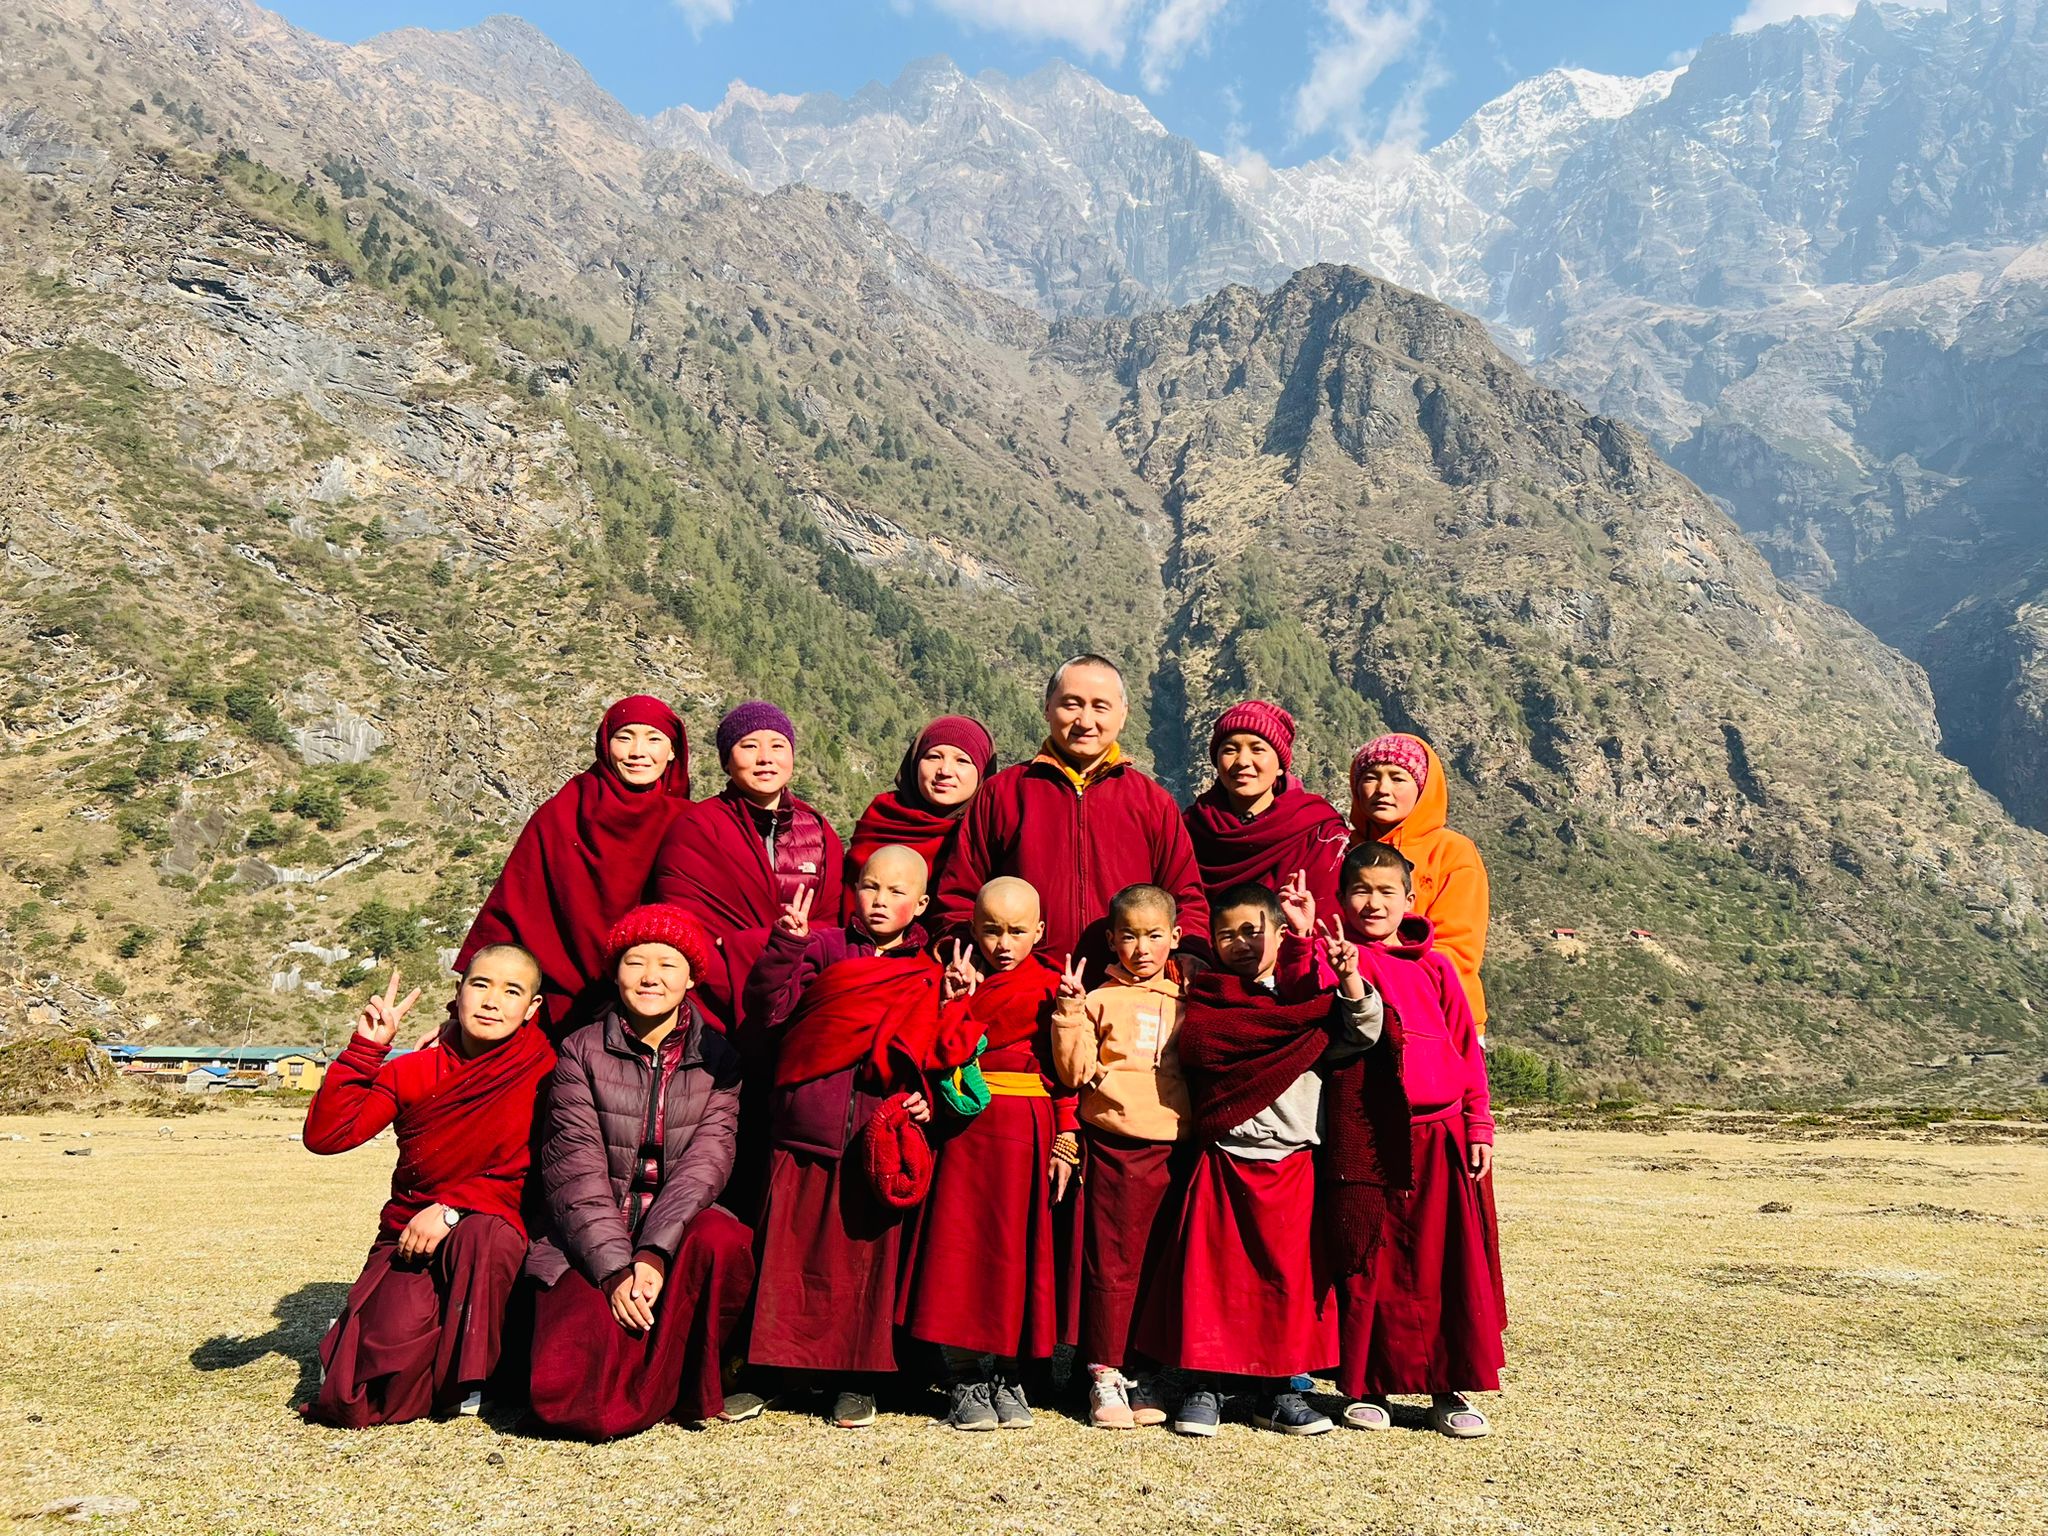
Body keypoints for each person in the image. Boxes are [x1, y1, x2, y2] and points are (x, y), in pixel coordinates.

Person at [1138, 882, 1385, 1439]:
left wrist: (1345, 976)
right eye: (1227, 934)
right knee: (1211, 1280)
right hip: (1224, 1155)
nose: (1241, 943)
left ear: (1277, 932)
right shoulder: (1210, 997)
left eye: (1253, 930)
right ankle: (1203, 1385)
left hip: (1293, 1158)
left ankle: (1275, 1394)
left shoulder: (1305, 1005)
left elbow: (1363, 1032)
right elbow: (1202, 1046)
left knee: (1286, 1285)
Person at [523, 905, 756, 1440]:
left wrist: (652, 1253)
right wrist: (613, 1268)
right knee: (576, 1403)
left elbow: (707, 1163)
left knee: (725, 1240)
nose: (651, 977)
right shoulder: (579, 1051)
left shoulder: (719, 1057)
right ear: (615, 971)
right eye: (635, 961)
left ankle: (696, 1382)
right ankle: (660, 1380)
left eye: (668, 964)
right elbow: (574, 1170)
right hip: (590, 1238)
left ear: (692, 977)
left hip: (673, 1231)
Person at [300, 947, 555, 1427]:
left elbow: (534, 1175)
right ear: (457, 993)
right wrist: (365, 1049)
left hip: (496, 1231)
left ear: (533, 1009)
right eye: (480, 984)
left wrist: (455, 1207)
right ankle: (362, 1329)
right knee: (376, 1390)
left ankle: (472, 1380)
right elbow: (328, 1137)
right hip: (410, 1234)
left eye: (512, 990)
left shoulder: (546, 1070)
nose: (492, 1001)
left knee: (488, 1235)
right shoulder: (414, 1070)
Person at [741, 846, 946, 1429]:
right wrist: (786, 945)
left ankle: (855, 1379)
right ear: (854, 890)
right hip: (805, 1126)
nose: (881, 901)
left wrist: (925, 1100)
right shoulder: (824, 946)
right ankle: (770, 1374)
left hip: (876, 1136)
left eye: (897, 892)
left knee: (863, 1262)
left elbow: (935, 1051)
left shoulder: (929, 968)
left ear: (922, 903)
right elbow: (770, 1011)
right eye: (871, 887)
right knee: (786, 1255)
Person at [1333, 841, 1504, 1438]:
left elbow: (1465, 1047)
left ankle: (1446, 1388)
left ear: (1410, 899)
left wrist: (1478, 1122)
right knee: (1370, 1259)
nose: (1373, 902)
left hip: (1440, 1132)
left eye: (1386, 891)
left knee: (1441, 1263)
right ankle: (1368, 1384)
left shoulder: (1436, 967)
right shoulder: (1338, 958)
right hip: (1369, 1132)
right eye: (1359, 890)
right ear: (1341, 898)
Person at [900, 877, 1075, 1430]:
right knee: (962, 1249)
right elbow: (934, 1052)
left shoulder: (1052, 987)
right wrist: (958, 1002)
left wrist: (1067, 1139)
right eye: (992, 929)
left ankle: (1008, 1372)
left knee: (1015, 1252)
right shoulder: (951, 980)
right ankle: (963, 1374)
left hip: (1030, 1127)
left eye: (1018, 931)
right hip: (966, 1128)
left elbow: (1068, 1075)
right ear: (973, 928)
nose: (1003, 943)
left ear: (1039, 932)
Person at [935, 656, 1208, 966]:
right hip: (1023, 989)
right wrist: (967, 958)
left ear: (1123, 715)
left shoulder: (1152, 802)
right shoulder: (1003, 794)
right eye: (1071, 704)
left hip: (1127, 990)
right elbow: (959, 895)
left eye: (1100, 707)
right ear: (1048, 708)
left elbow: (1185, 897)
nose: (1085, 721)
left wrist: (1188, 955)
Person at [455, 696, 690, 1035]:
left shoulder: (685, 822)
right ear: (605, 745)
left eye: (654, 739)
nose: (639, 751)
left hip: (650, 999)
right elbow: (512, 905)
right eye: (624, 737)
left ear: (672, 752)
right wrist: (459, 1013)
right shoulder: (564, 812)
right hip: (559, 1002)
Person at [1049, 883, 1192, 1430]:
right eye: (1128, 936)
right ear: (1110, 941)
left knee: (1158, 1262)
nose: (1141, 948)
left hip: (1174, 1145)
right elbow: (1073, 1069)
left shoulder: (1186, 1001)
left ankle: (1144, 1372)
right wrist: (1068, 1010)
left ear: (1175, 938)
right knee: (1112, 1262)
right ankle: (1103, 1372)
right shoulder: (1097, 999)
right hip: (1112, 1143)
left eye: (1154, 935)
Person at [650, 700, 844, 1027]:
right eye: (749, 745)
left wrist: (754, 943)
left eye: (778, 745)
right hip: (715, 1008)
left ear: (792, 757)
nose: (765, 757)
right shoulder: (697, 829)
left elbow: (834, 926)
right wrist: (781, 940)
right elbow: (686, 930)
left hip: (803, 996)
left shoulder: (819, 831)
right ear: (727, 762)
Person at [1349, 732, 1491, 1040]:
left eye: (1398, 778)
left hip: (1442, 1019)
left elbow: (1456, 952)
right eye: (1371, 777)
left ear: (1423, 788)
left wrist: (1372, 972)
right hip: (1357, 1014)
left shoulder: (1452, 853)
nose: (1383, 789)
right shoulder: (1342, 850)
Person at [1184, 700, 1348, 917]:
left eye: (1257, 749)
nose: (1242, 761)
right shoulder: (1192, 828)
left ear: (1280, 766)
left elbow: (1330, 915)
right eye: (1230, 750)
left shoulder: (1317, 830)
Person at [840, 715, 996, 910]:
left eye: (962, 761)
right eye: (933, 757)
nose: (945, 770)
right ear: (915, 762)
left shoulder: (984, 833)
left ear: (983, 773)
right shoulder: (883, 815)